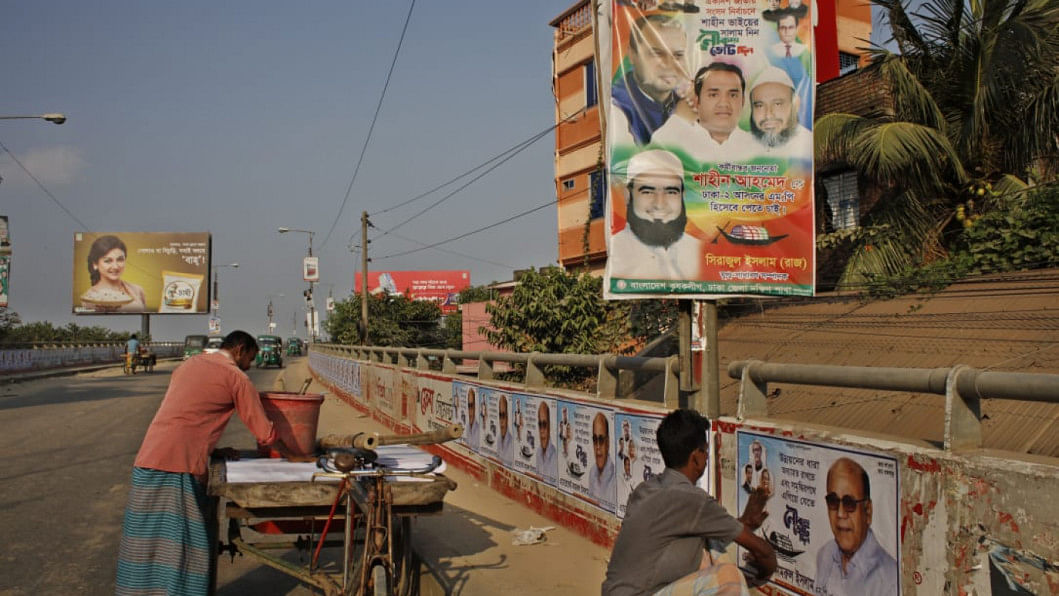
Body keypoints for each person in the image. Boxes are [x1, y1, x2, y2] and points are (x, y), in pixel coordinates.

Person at [115, 330, 307, 595]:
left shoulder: (189, 365)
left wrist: (212, 449)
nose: (250, 366)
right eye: (250, 358)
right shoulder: (235, 377)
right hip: (179, 466)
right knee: (182, 546)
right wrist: (296, 456)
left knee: (146, 544)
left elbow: (185, 414)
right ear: (239, 350)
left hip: (149, 458)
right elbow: (265, 432)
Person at [603, 409, 777, 595]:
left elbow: (699, 530)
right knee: (729, 577)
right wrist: (760, 574)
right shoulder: (693, 501)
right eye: (705, 451)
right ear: (696, 457)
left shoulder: (644, 490)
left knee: (707, 545)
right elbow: (764, 553)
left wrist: (745, 524)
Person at [609, 149, 703, 280]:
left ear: (683, 195)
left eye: (671, 192)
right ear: (627, 195)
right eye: (647, 191)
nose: (659, 204)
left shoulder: (701, 251)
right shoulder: (617, 251)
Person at [815, 458, 898, 596]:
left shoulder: (890, 580)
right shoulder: (824, 555)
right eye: (833, 501)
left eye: (849, 503)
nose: (841, 514)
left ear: (867, 511)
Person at [651, 62, 756, 163]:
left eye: (733, 95)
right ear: (697, 101)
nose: (724, 103)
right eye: (713, 95)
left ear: (742, 101)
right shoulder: (670, 139)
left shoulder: (758, 145)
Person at [611, 13, 689, 146]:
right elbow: (626, 160)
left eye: (678, 55)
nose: (669, 64)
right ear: (632, 55)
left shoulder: (689, 100)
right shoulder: (617, 106)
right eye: (656, 54)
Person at [748, 66, 812, 158]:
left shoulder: (809, 145)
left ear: (796, 104)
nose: (768, 115)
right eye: (760, 106)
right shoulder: (740, 145)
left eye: (777, 104)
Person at [80, 235, 146, 312]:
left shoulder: (137, 290)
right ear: (95, 264)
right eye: (108, 261)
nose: (115, 266)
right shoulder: (89, 299)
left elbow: (143, 314)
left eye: (120, 259)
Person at [767, 12, 809, 93]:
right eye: (783, 28)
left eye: (790, 27)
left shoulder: (804, 51)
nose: (787, 31)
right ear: (778, 30)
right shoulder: (770, 51)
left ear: (796, 29)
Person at [589, 413, 615, 502]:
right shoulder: (592, 473)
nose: (598, 446)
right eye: (595, 440)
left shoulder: (615, 479)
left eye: (601, 440)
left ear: (608, 443)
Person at [535, 401, 557, 479]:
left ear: (549, 426)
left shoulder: (555, 457)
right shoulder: (538, 453)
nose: (542, 430)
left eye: (544, 425)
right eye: (540, 425)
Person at [498, 394, 513, 463]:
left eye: (503, 416)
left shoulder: (512, 443)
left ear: (507, 417)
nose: (501, 421)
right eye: (500, 416)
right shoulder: (498, 439)